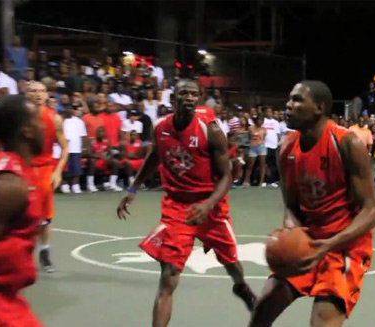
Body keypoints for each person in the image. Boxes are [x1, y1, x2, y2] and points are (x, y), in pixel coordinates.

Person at [117, 79, 256, 327]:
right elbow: (155, 156)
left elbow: (227, 176)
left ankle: (241, 288)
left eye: (194, 94)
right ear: (173, 100)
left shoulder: (210, 130)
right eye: (184, 94)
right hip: (178, 208)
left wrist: (208, 204)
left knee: (232, 263)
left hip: (210, 205)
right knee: (168, 276)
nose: (190, 98)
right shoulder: (161, 129)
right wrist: (133, 187)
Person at [249, 81, 375, 327]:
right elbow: (291, 205)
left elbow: (371, 211)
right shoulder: (286, 147)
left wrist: (329, 243)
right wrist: (290, 230)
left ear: (319, 108)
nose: (288, 105)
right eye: (290, 98)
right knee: (263, 307)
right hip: (309, 241)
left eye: (297, 100)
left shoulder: (346, 144)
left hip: (344, 247)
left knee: (321, 320)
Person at [0, 95, 44, 327]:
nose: (44, 125)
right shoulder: (10, 186)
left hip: (8, 299)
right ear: (27, 130)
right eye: (38, 119)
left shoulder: (20, 173)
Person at [27, 81, 68, 273]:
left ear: (46, 95)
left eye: (41, 91)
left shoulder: (54, 119)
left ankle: (44, 252)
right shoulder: (17, 118)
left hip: (44, 171)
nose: (37, 94)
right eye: (33, 91)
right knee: (18, 214)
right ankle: (19, 254)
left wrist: (58, 171)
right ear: (25, 94)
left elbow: (65, 148)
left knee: (44, 218)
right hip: (22, 169)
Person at [61, 104, 87, 194]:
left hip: (76, 148)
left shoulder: (79, 122)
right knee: (65, 168)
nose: (72, 111)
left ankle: (75, 185)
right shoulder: (62, 120)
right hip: (64, 149)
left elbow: (83, 136)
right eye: (70, 108)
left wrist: (83, 148)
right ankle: (65, 184)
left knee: (76, 168)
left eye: (74, 109)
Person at [86, 126, 122, 192]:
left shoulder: (107, 141)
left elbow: (110, 153)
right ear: (96, 133)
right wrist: (99, 156)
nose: (100, 133)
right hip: (95, 160)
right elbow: (88, 153)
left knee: (115, 162)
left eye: (102, 131)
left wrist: (108, 157)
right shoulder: (92, 141)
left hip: (104, 160)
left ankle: (112, 184)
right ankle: (90, 185)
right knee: (91, 160)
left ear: (104, 133)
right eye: (99, 132)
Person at [243, 115, 267, 187]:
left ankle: (261, 182)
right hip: (253, 147)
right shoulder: (250, 128)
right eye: (259, 120)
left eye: (261, 120)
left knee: (262, 165)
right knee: (250, 165)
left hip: (262, 147)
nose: (260, 122)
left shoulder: (264, 129)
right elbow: (249, 137)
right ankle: (246, 181)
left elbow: (264, 137)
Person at [263, 107, 280, 187]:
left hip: (274, 145)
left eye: (270, 112)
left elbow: (278, 134)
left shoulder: (276, 122)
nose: (269, 113)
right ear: (265, 113)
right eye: (267, 112)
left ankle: (272, 180)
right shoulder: (262, 121)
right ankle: (264, 180)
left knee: (273, 164)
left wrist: (277, 144)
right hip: (265, 145)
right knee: (264, 164)